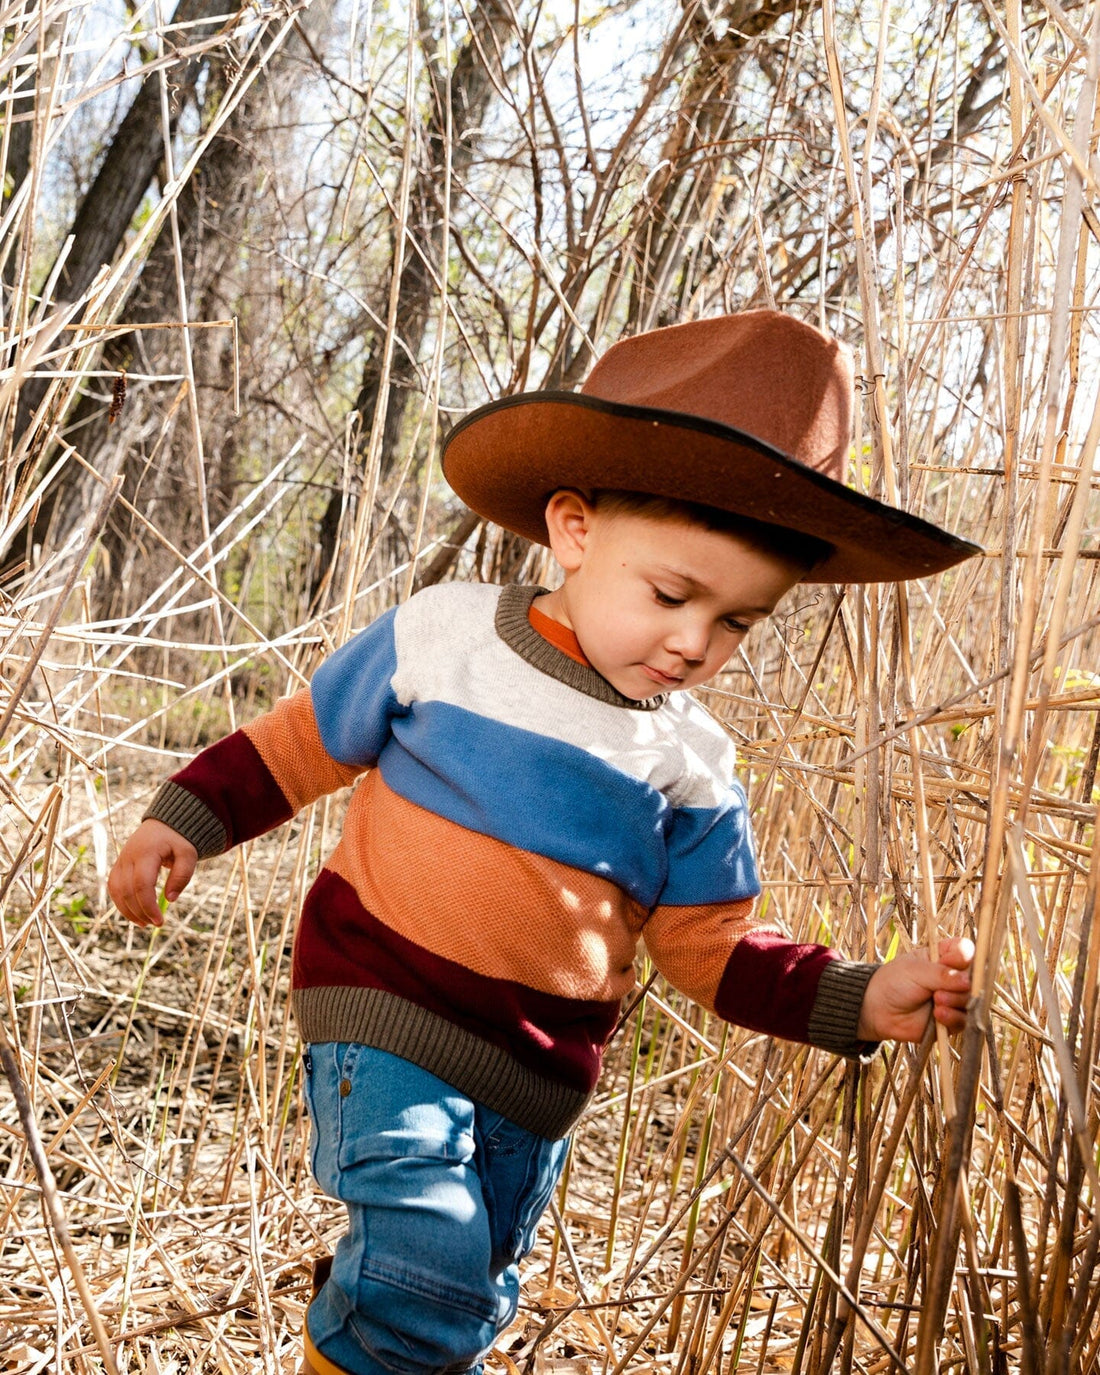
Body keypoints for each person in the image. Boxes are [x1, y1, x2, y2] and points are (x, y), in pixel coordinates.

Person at [108, 310, 981, 1375]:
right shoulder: (449, 636)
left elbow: (710, 946)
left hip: (537, 1073)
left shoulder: (692, 766)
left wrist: (852, 994)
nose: (693, 642)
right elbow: (299, 743)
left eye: (737, 622)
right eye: (670, 595)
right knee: (420, 1264)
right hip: (382, 1004)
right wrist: (185, 817)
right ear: (573, 530)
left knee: (469, 1295)